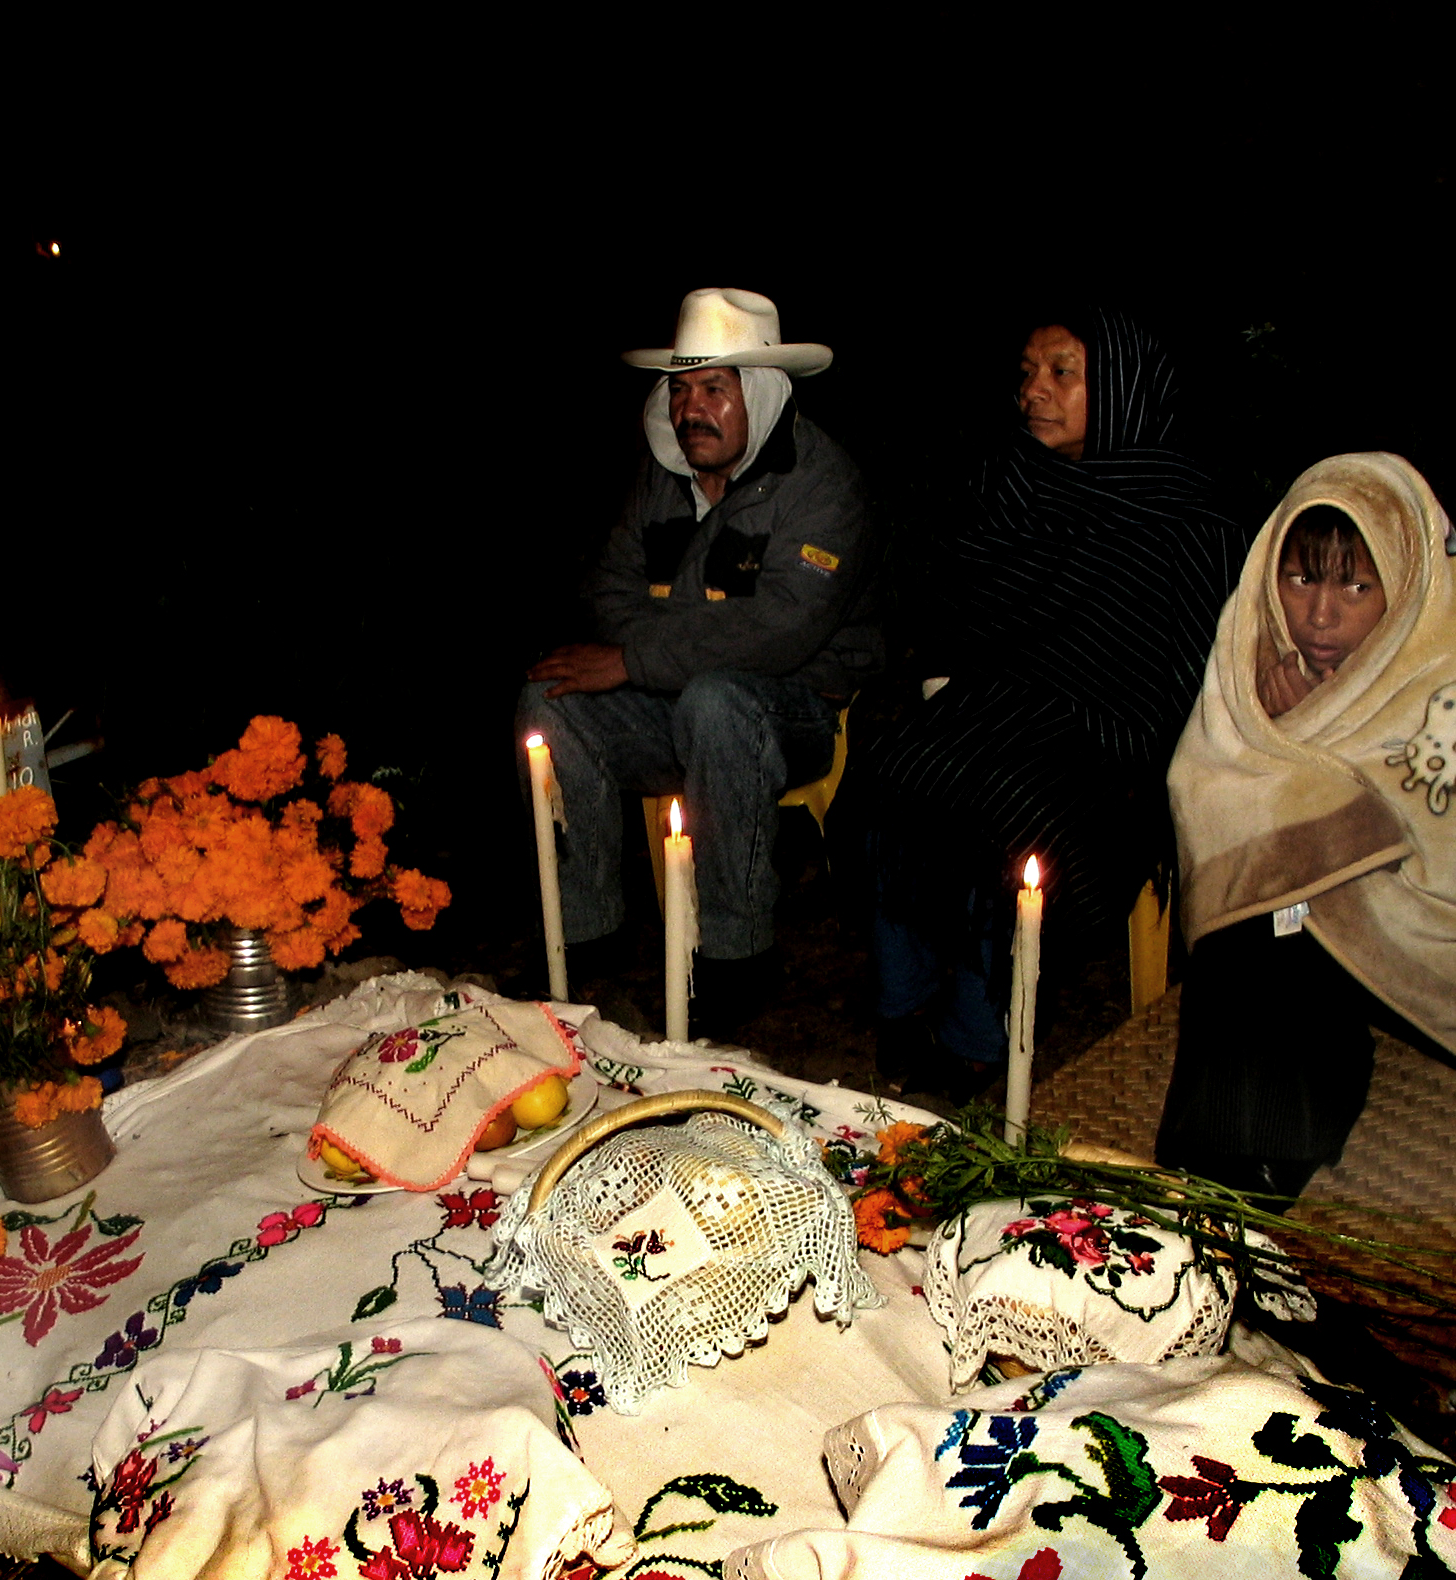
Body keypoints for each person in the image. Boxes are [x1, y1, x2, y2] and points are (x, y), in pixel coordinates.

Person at [1157, 452, 1456, 1192]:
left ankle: (1273, 1142)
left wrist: (1302, 750)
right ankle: (1222, 1157)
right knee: (1254, 923)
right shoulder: (1258, 643)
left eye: (1356, 585)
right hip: (1337, 887)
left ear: (1404, 585)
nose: (1319, 613)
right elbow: (1209, 786)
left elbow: (1455, 829)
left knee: (1292, 913)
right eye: (1301, 576)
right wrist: (1288, 732)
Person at [865, 307, 1242, 1096]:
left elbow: (1183, 675)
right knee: (897, 767)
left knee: (1002, 800)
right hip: (1001, 705)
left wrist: (1082, 715)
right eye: (1028, 373)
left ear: (1125, 388)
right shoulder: (1010, 481)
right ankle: (903, 1007)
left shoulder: (1186, 515)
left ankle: (976, 1033)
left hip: (1114, 744)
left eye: (1062, 372)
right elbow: (964, 612)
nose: (1034, 390)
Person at [518, 288, 880, 1034]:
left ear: (763, 392)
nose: (692, 410)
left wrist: (646, 653)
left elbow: (782, 630)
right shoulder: (664, 475)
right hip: (675, 697)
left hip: (797, 707)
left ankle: (736, 953)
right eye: (680, 390)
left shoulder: (822, 483)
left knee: (718, 700)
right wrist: (658, 655)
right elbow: (609, 586)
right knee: (550, 700)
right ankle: (585, 933)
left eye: (715, 388)